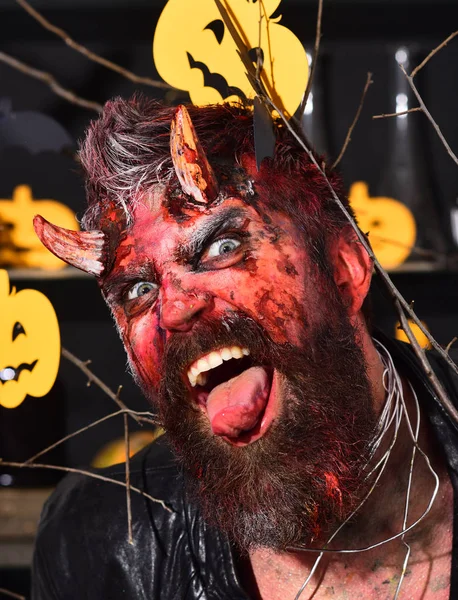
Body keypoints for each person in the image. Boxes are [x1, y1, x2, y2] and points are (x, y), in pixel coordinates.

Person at [31, 97, 458, 600]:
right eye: (137, 291)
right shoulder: (97, 543)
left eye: (221, 248)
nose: (173, 309)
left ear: (344, 271)